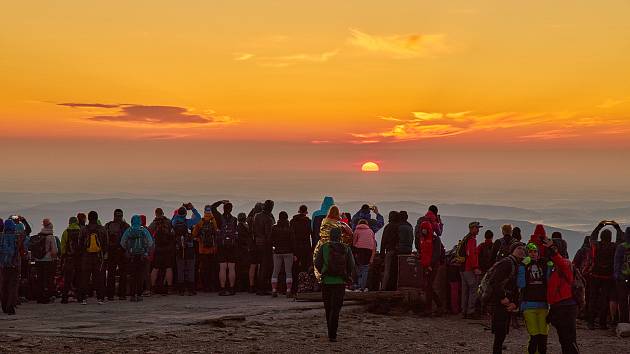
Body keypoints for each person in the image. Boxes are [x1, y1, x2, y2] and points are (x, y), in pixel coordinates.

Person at [480, 242, 525, 354]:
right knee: (500, 332)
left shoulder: (516, 264)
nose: (521, 251)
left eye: (523, 249)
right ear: (512, 250)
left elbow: (515, 287)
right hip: (500, 302)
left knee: (502, 332)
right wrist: (503, 298)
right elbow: (495, 282)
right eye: (518, 248)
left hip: (506, 302)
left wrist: (514, 303)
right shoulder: (507, 263)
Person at [313, 227, 355, 342]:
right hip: (340, 281)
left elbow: (317, 263)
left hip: (326, 281)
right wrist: (346, 275)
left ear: (330, 236)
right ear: (340, 236)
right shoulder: (346, 248)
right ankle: (333, 335)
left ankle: (329, 331)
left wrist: (323, 271)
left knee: (328, 307)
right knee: (336, 308)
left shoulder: (324, 247)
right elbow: (351, 265)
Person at [544, 237, 579, 353]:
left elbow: (559, 260)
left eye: (555, 247)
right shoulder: (553, 265)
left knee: (569, 340)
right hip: (558, 306)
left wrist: (551, 248)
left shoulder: (566, 263)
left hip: (566, 307)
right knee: (564, 339)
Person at [517, 243, 549, 354]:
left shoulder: (544, 263)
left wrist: (549, 266)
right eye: (530, 252)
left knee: (543, 337)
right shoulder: (523, 266)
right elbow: (521, 284)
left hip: (543, 305)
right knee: (534, 337)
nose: (533, 254)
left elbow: (549, 282)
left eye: (535, 251)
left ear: (538, 253)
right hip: (529, 305)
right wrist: (521, 267)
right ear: (526, 253)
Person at [588, 221, 617, 330]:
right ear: (610, 237)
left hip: (595, 275)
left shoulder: (596, 245)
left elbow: (592, 237)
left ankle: (590, 322)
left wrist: (599, 225)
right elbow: (622, 239)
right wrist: (617, 227)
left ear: (601, 236)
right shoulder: (614, 246)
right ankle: (602, 323)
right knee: (605, 299)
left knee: (593, 298)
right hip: (608, 277)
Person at [120, 215, 154, 302]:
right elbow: (150, 243)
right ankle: (139, 295)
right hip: (142, 256)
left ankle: (132, 295)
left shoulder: (129, 230)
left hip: (131, 256)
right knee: (140, 276)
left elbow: (122, 243)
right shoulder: (143, 230)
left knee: (132, 276)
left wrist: (128, 250)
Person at [172, 203, 201, 296]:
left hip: (179, 248)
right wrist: (192, 208)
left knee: (180, 269)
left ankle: (181, 290)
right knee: (190, 268)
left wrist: (181, 209)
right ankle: (191, 289)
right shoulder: (188, 222)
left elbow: (173, 218)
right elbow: (198, 217)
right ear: (185, 214)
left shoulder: (174, 222)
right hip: (189, 248)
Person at [79, 211, 108, 305]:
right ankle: (100, 298)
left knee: (85, 278)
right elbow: (106, 243)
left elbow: (80, 243)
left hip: (86, 257)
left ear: (89, 218)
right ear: (97, 218)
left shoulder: (84, 229)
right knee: (99, 277)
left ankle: (83, 298)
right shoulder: (102, 229)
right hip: (98, 257)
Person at [211, 200, 239, 296]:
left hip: (221, 245)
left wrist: (221, 201)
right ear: (231, 209)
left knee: (222, 267)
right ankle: (231, 288)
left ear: (223, 209)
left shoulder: (219, 218)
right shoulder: (235, 219)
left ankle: (222, 288)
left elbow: (212, 207)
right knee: (232, 268)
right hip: (232, 246)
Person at [192, 205, 219, 293]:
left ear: (204, 211)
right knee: (212, 268)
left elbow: (194, 234)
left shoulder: (200, 221)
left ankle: (205, 286)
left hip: (202, 249)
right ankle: (212, 286)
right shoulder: (213, 220)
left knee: (204, 269)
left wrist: (198, 239)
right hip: (212, 250)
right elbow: (216, 232)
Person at [104, 209, 130, 301]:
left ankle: (110, 295)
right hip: (122, 252)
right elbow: (129, 240)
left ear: (114, 215)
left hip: (111, 252)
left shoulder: (108, 225)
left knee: (111, 273)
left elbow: (105, 240)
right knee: (123, 273)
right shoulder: (126, 226)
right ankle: (122, 294)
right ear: (122, 216)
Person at [30, 219, 58, 304]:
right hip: (48, 260)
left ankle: (39, 297)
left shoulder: (39, 236)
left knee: (40, 279)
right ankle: (46, 297)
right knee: (47, 279)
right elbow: (54, 251)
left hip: (38, 260)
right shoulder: (51, 237)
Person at [148, 208, 175, 295]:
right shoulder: (168, 221)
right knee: (168, 268)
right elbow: (173, 232)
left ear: (156, 214)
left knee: (155, 268)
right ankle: (170, 288)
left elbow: (148, 233)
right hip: (168, 248)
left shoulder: (154, 223)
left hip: (158, 249)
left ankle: (152, 288)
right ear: (163, 213)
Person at [253, 200, 275, 295]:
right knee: (265, 267)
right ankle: (263, 288)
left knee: (260, 266)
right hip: (266, 244)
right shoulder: (268, 219)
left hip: (257, 243)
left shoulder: (256, 216)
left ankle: (259, 287)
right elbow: (268, 234)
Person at [271, 211, 295, 298]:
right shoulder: (290, 229)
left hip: (277, 252)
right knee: (288, 272)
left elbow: (271, 239)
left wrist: (274, 247)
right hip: (288, 252)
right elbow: (293, 242)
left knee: (275, 271)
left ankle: (274, 290)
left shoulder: (274, 228)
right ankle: (288, 290)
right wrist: (294, 253)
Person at [0, 219, 21, 315]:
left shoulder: (2, 237)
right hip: (13, 265)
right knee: (12, 286)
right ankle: (10, 306)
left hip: (3, 266)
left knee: (4, 286)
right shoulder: (16, 238)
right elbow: (15, 251)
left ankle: (4, 305)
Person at [60, 217, 82, 303]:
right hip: (79, 258)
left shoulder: (66, 232)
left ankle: (65, 298)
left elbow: (63, 246)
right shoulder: (81, 231)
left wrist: (63, 255)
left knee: (67, 279)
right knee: (79, 278)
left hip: (69, 258)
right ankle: (80, 297)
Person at [290, 205, 313, 286]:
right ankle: (304, 285)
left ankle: (294, 287)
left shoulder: (293, 221)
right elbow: (312, 234)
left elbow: (291, 235)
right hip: (306, 247)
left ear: (299, 211)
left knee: (295, 268)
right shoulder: (309, 221)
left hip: (296, 247)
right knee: (305, 267)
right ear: (306, 212)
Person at [352, 219, 376, 292]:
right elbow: (374, 243)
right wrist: (372, 257)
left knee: (359, 267)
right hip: (369, 250)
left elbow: (354, 242)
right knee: (365, 269)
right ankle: (362, 286)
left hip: (359, 250)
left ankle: (359, 285)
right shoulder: (371, 231)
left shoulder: (356, 230)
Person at [380, 211, 400, 291]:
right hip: (398, 251)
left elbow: (383, 241)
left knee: (387, 270)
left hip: (389, 250)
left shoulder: (388, 227)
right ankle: (394, 287)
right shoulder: (399, 226)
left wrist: (382, 253)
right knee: (396, 271)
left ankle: (384, 288)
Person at [614, 227, 630, 323]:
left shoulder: (621, 246)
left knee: (623, 300)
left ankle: (624, 321)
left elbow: (617, 262)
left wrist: (616, 275)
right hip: (623, 277)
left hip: (622, 277)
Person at [235, 213, 253, 292]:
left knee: (240, 269)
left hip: (240, 251)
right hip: (246, 250)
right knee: (246, 268)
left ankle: (240, 286)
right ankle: (246, 285)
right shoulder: (247, 227)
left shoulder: (238, 227)